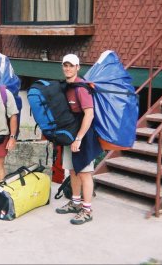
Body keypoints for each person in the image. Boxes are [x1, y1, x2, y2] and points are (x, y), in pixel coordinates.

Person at [55, 53, 102, 225]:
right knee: (73, 170)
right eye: (65, 65)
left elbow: (89, 115)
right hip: (70, 133)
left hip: (84, 135)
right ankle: (75, 203)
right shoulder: (66, 87)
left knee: (84, 172)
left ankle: (87, 210)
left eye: (71, 65)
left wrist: (79, 138)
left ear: (77, 68)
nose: (67, 68)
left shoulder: (81, 88)